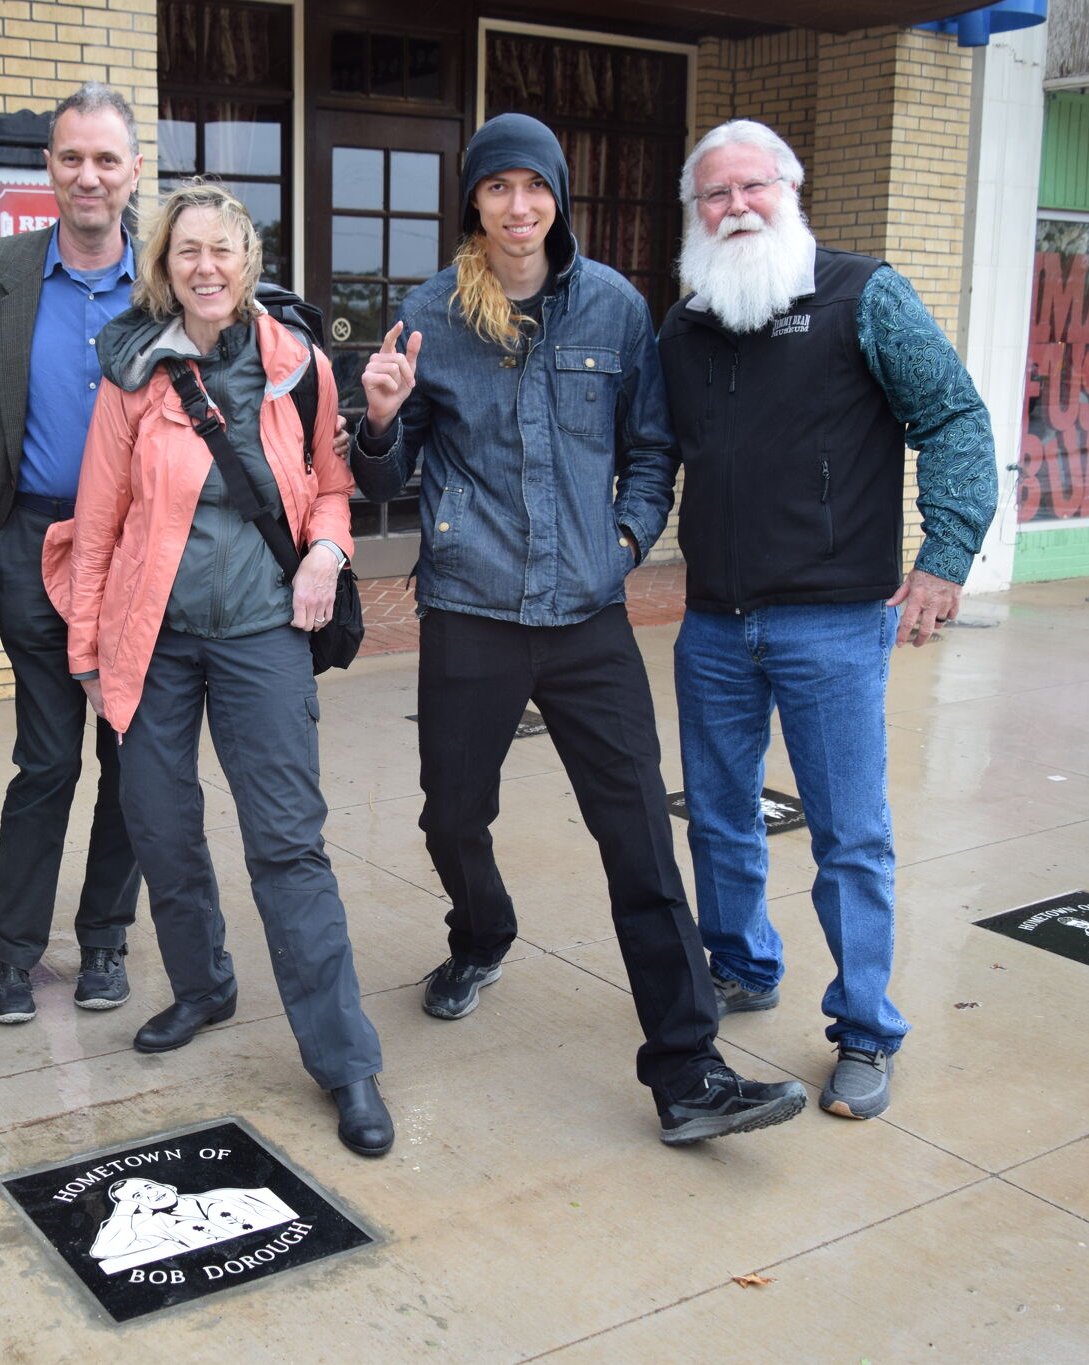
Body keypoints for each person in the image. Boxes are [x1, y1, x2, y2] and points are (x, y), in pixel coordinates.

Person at [353, 113, 806, 1145]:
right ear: (472, 201)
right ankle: (480, 933)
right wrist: (375, 419)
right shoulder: (429, 311)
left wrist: (623, 540)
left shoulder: (610, 307)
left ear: (558, 197)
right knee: (450, 816)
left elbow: (651, 448)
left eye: (535, 187)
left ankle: (686, 1071)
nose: (518, 206)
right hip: (469, 608)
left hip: (587, 613)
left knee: (640, 838)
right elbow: (385, 475)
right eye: (497, 188)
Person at [657, 119, 997, 1121]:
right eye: (713, 196)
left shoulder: (864, 296)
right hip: (713, 622)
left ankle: (862, 1031)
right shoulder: (683, 325)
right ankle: (740, 966)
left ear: (789, 191)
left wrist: (943, 559)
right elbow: (648, 454)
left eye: (751, 188)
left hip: (833, 625)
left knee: (848, 834)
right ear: (695, 213)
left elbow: (953, 417)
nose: (734, 209)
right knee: (717, 818)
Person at [61, 182, 392, 1157]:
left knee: (286, 843)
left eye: (220, 249)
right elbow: (95, 524)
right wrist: (87, 650)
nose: (203, 266)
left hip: (260, 634)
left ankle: (345, 1061)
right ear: (162, 268)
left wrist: (328, 554)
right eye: (183, 251)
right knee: (158, 824)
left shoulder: (297, 367)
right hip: (151, 633)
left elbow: (332, 490)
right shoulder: (131, 371)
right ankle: (203, 987)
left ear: (246, 261)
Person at [0, 83, 145, 1024]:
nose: (88, 176)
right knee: (46, 759)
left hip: (142, 549)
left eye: (106, 159)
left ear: (134, 172)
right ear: (49, 169)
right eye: (71, 158)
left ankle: (105, 940)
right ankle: (14, 952)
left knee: (132, 756)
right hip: (30, 538)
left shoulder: (169, 283)